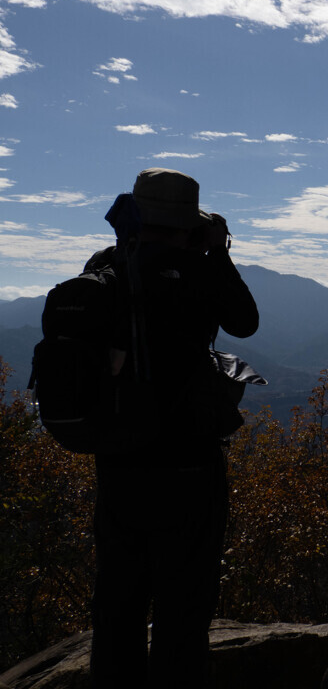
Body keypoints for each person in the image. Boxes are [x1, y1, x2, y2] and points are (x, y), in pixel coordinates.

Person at [88, 168, 259, 689]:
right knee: (183, 607)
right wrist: (218, 251)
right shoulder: (197, 271)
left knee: (117, 600)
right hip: (188, 464)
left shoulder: (105, 267)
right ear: (188, 223)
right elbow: (245, 322)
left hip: (119, 461)